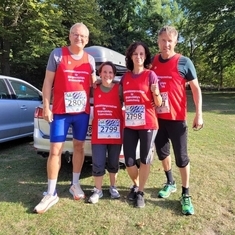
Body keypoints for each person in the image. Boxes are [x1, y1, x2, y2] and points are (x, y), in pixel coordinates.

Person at [34, 22, 96, 213]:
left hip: (81, 113)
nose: (80, 38)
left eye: (83, 36)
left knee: (79, 147)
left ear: (87, 40)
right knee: (55, 150)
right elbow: (47, 81)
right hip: (60, 112)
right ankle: (51, 192)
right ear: (70, 36)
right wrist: (46, 106)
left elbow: (95, 84)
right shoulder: (58, 54)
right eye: (76, 35)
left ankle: (74, 184)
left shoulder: (90, 60)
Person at [151, 25, 203, 215]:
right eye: (163, 40)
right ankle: (170, 182)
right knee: (163, 154)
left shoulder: (184, 62)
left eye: (170, 41)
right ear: (158, 41)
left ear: (175, 42)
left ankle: (186, 193)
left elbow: (196, 89)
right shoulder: (153, 61)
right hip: (158, 119)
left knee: (182, 158)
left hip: (177, 119)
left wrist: (199, 113)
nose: (166, 44)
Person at [121, 41, 162, 208]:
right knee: (129, 161)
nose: (138, 57)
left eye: (142, 54)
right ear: (131, 56)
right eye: (135, 54)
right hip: (130, 124)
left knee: (145, 159)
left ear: (145, 57)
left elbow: (158, 103)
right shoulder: (125, 77)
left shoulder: (151, 75)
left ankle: (140, 192)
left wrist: (156, 92)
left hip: (148, 124)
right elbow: (120, 98)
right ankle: (137, 184)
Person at [88, 61, 123, 204]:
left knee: (114, 162)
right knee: (98, 162)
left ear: (114, 75)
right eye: (105, 72)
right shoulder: (94, 88)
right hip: (99, 133)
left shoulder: (119, 88)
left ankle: (113, 187)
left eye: (110, 72)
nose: (107, 75)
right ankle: (98, 190)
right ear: (100, 73)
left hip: (115, 133)